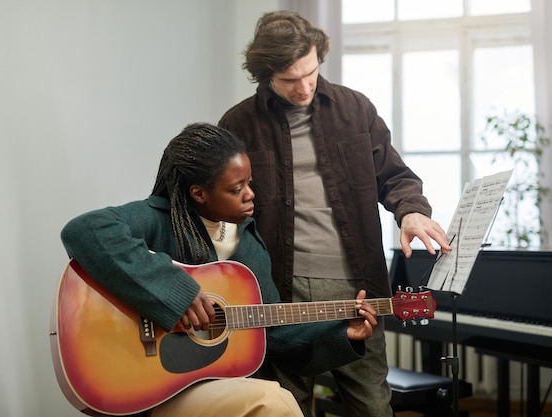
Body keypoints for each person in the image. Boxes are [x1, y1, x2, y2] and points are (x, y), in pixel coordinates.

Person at [218, 11, 452, 417]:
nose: (305, 86)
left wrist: (410, 213)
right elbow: (220, 204)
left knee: (373, 404)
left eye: (311, 72)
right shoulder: (238, 123)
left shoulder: (355, 109)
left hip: (357, 286)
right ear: (265, 74)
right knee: (284, 405)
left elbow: (394, 177)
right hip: (276, 289)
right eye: (291, 80)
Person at [60, 123, 379, 417]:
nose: (250, 194)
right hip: (146, 385)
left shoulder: (248, 242)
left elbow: (271, 332)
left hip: (211, 383)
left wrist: (342, 333)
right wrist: (176, 293)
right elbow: (84, 230)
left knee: (271, 398)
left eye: (249, 183)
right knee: (274, 401)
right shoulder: (157, 217)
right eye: (236, 188)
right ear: (199, 193)